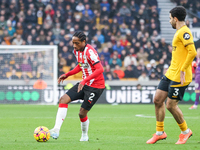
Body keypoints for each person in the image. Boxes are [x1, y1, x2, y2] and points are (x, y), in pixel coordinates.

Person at [146, 6, 197, 145]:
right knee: (157, 100)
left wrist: (183, 69)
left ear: (175, 18)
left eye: (170, 19)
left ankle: (186, 132)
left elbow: (192, 52)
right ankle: (159, 133)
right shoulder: (179, 31)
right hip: (171, 73)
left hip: (181, 75)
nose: (169, 21)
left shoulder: (185, 32)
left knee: (170, 105)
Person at [50, 31, 105, 141]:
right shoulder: (77, 51)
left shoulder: (90, 52)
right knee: (63, 99)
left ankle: (84, 136)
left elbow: (100, 69)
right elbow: (81, 65)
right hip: (83, 83)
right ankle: (56, 129)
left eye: (77, 43)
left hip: (96, 86)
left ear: (84, 42)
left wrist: (84, 81)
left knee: (82, 113)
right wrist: (68, 74)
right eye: (73, 43)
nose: (74, 46)